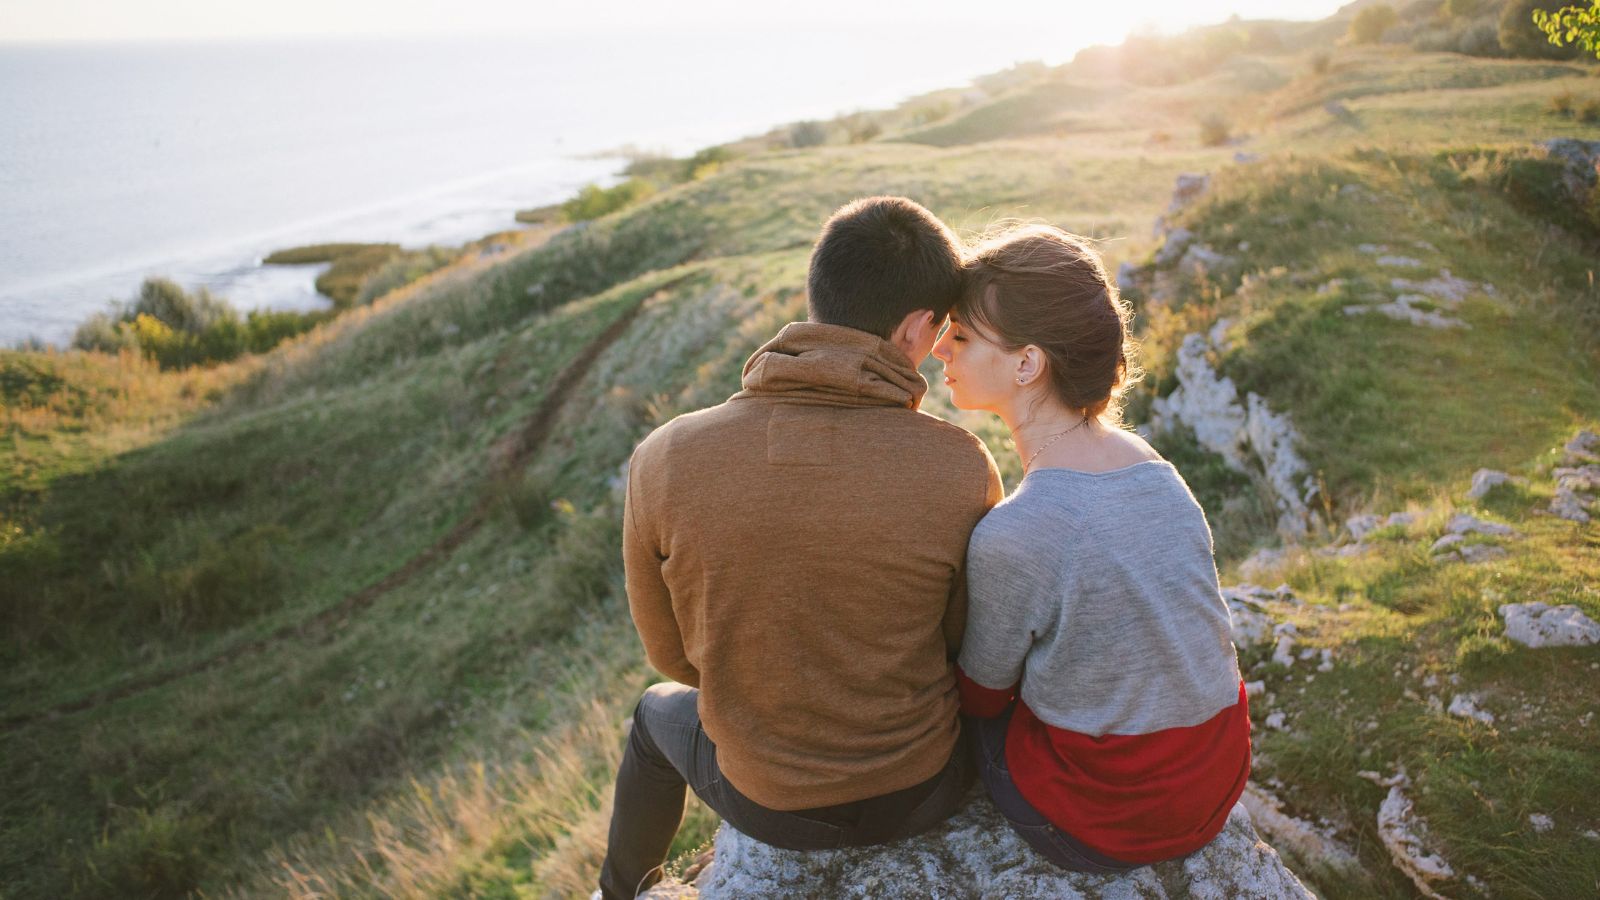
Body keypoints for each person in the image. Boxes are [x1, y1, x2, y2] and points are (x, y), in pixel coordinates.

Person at [597, 196, 1004, 899]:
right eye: (940, 331)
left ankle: (619, 890)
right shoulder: (960, 465)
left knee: (652, 715)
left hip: (767, 805)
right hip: (923, 790)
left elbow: (672, 657)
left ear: (819, 296)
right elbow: (964, 643)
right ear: (915, 328)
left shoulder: (665, 457)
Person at [932, 224, 1251, 873]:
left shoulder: (1016, 533)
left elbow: (982, 697)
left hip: (1108, 819)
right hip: (1215, 782)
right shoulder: (1152, 467)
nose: (940, 348)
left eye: (961, 336)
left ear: (1028, 363)